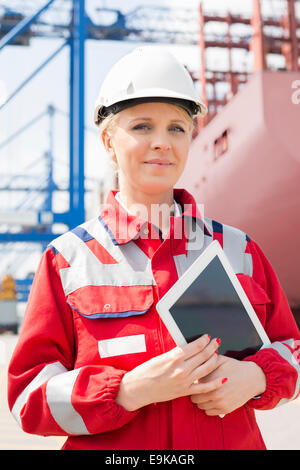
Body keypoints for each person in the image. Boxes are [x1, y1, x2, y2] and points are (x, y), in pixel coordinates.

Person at [7, 46, 300, 450]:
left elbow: (292, 350)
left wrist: (259, 377)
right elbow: (27, 399)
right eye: (142, 127)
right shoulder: (68, 260)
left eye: (177, 128)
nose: (162, 142)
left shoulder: (240, 250)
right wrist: (126, 391)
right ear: (109, 141)